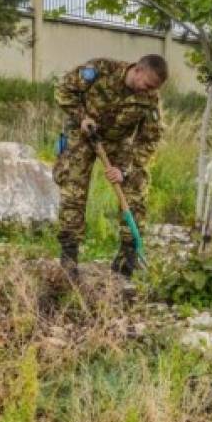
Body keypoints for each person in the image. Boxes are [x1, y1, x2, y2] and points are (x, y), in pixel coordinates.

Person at [42, 55, 167, 316]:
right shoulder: (100, 70)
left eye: (154, 89)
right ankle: (69, 258)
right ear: (138, 69)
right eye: (148, 84)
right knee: (74, 192)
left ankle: (126, 260)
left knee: (137, 188)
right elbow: (63, 89)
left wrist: (125, 169)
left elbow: (149, 140)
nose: (150, 91)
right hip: (83, 133)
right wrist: (81, 116)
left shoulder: (149, 100)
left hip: (118, 143)